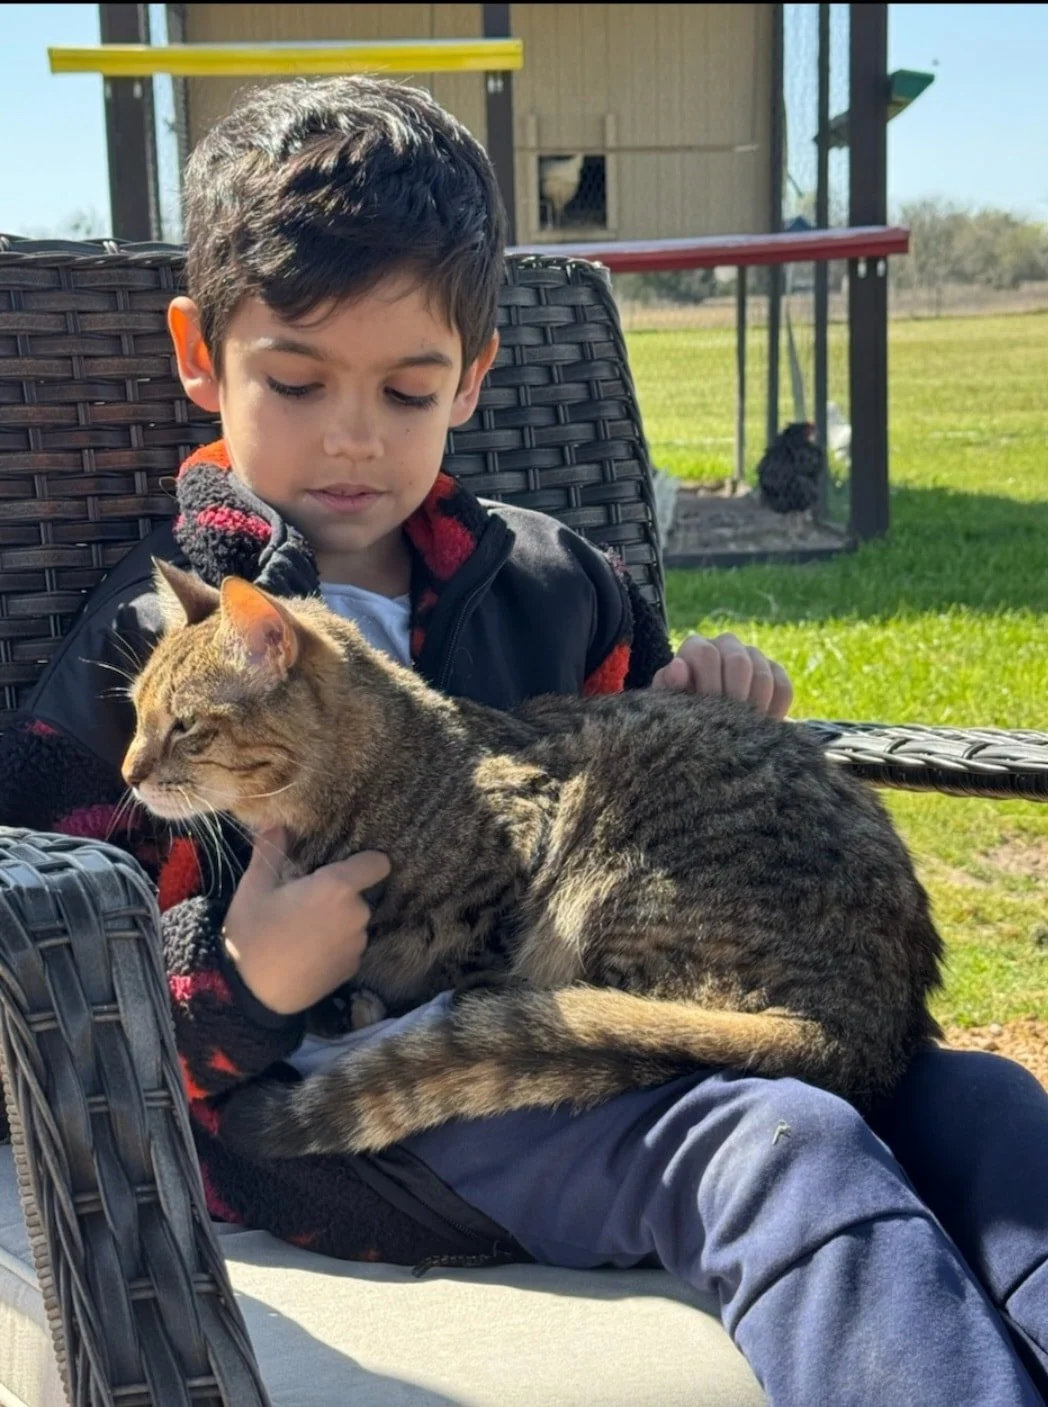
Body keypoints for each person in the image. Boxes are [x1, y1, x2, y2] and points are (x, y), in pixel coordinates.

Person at [1, 76, 1046, 1407]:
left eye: (409, 388)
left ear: (473, 378)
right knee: (787, 1141)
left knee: (986, 1106)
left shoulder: (559, 579)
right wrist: (241, 976)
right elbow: (32, 970)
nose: (353, 434)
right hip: (390, 1118)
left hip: (650, 1003)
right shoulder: (149, 648)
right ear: (205, 358)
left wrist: (703, 693)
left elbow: (645, 764)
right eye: (298, 379)